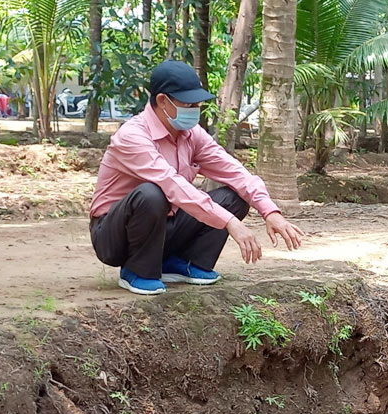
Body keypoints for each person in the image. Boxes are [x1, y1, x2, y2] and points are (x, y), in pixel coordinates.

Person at [88, 60, 305, 296]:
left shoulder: (191, 134)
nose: (195, 109)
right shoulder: (133, 136)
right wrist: (230, 222)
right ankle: (136, 270)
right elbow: (172, 185)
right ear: (163, 101)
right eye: (189, 103)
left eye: (198, 104)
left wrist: (270, 212)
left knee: (233, 198)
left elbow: (233, 171)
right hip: (114, 235)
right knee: (152, 193)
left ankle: (181, 263)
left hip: (165, 225)